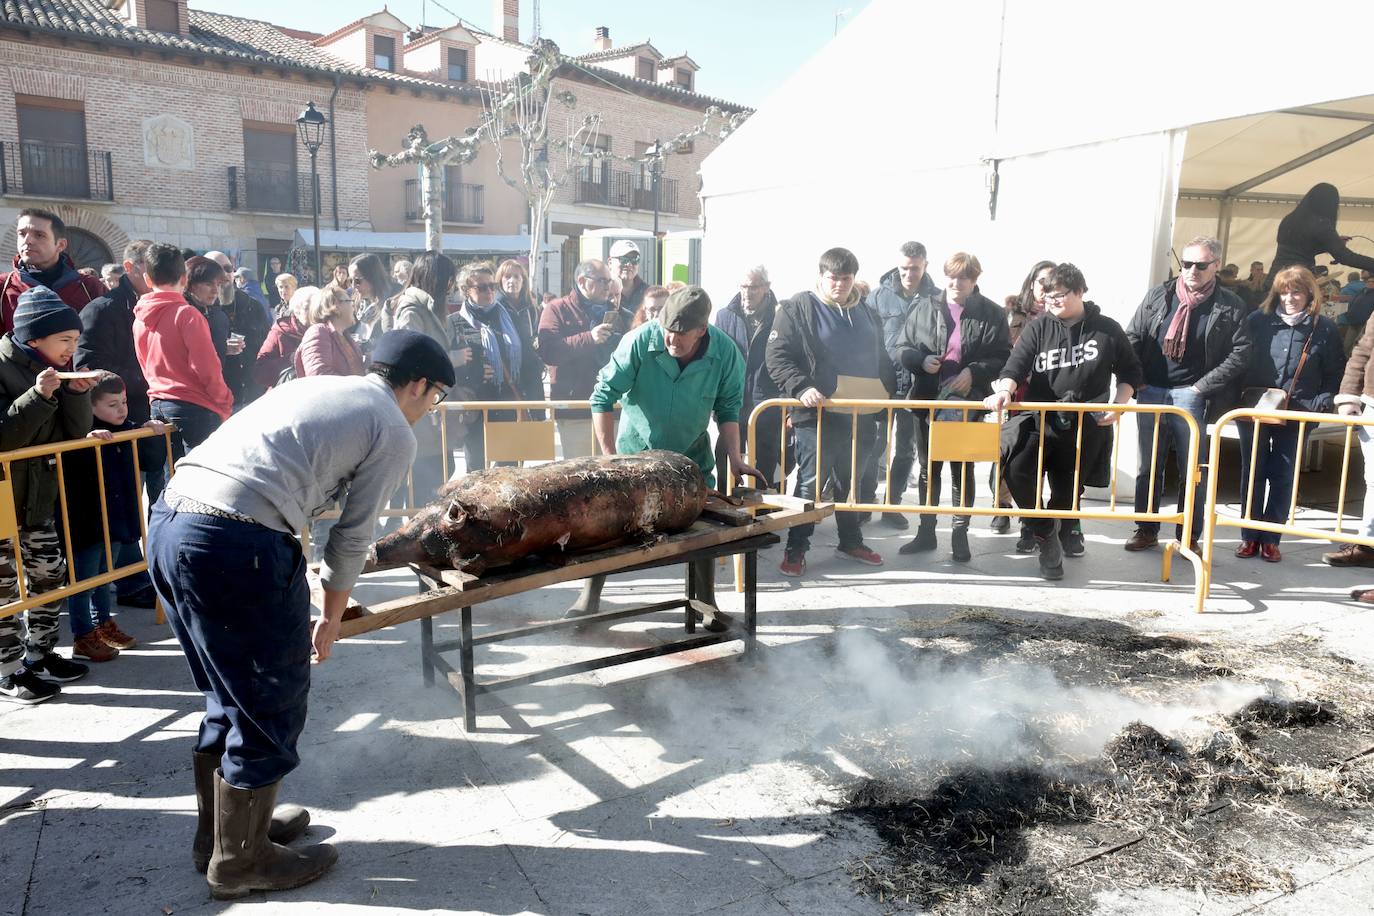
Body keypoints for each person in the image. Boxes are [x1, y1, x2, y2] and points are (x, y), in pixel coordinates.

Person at [147, 329, 453, 899]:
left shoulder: (321, 388)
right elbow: (353, 536)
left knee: (227, 693)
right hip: (233, 541)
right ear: (417, 384)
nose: (431, 410)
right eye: (435, 397)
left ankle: (223, 835)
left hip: (170, 522)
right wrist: (332, 616)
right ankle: (242, 861)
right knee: (269, 699)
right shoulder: (389, 425)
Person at [568, 287, 763, 622]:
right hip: (634, 457)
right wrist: (610, 458)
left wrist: (736, 457)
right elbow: (602, 398)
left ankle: (707, 603)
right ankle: (590, 594)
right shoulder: (639, 342)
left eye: (681, 335)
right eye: (667, 332)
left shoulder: (727, 353)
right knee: (602, 525)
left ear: (702, 330)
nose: (672, 340)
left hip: (691, 461)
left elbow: (729, 410)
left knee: (703, 531)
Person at [985, 263, 1143, 580]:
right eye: (1049, 296)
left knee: (1066, 492)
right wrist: (1004, 391)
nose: (1053, 302)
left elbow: (1130, 374)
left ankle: (1051, 546)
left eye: (1060, 296)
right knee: (1015, 468)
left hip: (1086, 423)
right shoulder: (1039, 327)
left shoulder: (1107, 329)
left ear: (1080, 292)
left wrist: (1118, 407)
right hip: (1039, 416)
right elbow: (1015, 366)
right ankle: (1044, 531)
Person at [766, 247, 893, 577]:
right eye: (833, 278)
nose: (839, 284)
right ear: (821, 276)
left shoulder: (866, 312)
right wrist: (801, 387)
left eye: (846, 278)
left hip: (861, 414)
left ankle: (850, 541)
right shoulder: (797, 308)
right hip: (817, 415)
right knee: (810, 483)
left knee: (850, 483)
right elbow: (777, 356)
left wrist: (888, 395)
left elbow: (882, 358)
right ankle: (796, 547)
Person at [0, 286, 98, 704]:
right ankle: (7, 671)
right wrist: (38, 396)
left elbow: (68, 435)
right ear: (34, 338)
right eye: (65, 340)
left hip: (38, 496)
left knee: (48, 575)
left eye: (75, 341)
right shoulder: (6, 368)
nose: (71, 348)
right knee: (3, 589)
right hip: (4, 500)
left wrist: (77, 396)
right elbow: (4, 435)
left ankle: (38, 656)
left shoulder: (50, 369)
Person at [1125, 236, 1250, 551]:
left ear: (1216, 266)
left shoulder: (1230, 305)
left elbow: (1241, 352)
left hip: (1192, 395)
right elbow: (1133, 337)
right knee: (1148, 466)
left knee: (1193, 469)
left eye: (1201, 264)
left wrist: (1201, 387)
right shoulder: (1159, 295)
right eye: (1187, 263)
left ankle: (1188, 535)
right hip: (1152, 390)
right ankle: (1146, 528)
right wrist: (1136, 380)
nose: (1192, 270)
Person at [894, 252, 1010, 562]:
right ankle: (926, 531)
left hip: (967, 402)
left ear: (974, 280)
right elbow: (902, 348)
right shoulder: (923, 306)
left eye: (964, 277)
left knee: (962, 467)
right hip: (928, 399)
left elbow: (1003, 356)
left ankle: (960, 533)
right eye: (952, 276)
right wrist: (920, 361)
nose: (956, 282)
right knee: (928, 467)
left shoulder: (992, 313)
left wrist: (975, 372)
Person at [1234, 267, 1344, 563]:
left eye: (1296, 291)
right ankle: (1249, 536)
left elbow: (1335, 370)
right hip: (1256, 407)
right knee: (1253, 471)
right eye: (1284, 291)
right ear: (1276, 293)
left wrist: (1323, 400)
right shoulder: (1257, 321)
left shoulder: (1324, 328)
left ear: (1309, 294)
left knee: (1283, 475)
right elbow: (1237, 357)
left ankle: (1271, 539)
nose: (1290, 298)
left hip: (1299, 409)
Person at [60, 372, 170, 662]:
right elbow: (68, 470)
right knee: (84, 581)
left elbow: (150, 460)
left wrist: (151, 433)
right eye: (112, 404)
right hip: (88, 522)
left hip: (119, 519)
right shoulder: (77, 436)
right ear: (90, 407)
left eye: (123, 402)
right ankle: (83, 634)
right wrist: (87, 439)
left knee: (104, 576)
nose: (122, 409)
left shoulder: (129, 429)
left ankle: (102, 624)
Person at [75, 238, 162, 601]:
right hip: (115, 427)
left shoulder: (156, 305)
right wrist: (149, 377)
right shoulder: (103, 309)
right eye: (150, 271)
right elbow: (88, 367)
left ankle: (142, 575)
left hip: (146, 421)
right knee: (122, 503)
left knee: (141, 501)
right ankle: (128, 582)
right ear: (131, 268)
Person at [861, 242, 939, 528]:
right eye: (904, 268)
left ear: (925, 266)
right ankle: (864, 502)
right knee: (873, 444)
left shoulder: (937, 299)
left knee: (905, 449)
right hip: (882, 383)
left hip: (917, 387)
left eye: (915, 268)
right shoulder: (877, 297)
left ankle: (892, 504)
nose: (908, 274)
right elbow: (864, 341)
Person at [133, 244, 234, 460]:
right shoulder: (187, 314)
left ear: (148, 280)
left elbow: (144, 364)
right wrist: (224, 402)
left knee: (172, 479)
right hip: (194, 406)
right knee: (203, 481)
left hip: (159, 404)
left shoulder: (139, 318)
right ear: (184, 279)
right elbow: (207, 367)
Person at [389, 251, 464, 509]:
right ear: (436, 279)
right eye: (448, 280)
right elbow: (410, 358)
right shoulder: (412, 310)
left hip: (430, 404)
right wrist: (451, 359)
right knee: (426, 478)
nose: (451, 286)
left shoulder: (427, 308)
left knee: (441, 468)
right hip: (419, 406)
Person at [995, 260, 1056, 550]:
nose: (1045, 288)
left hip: (1047, 393)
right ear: (1031, 283)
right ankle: (1003, 504)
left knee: (1037, 459)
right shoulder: (1013, 312)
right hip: (1017, 391)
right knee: (1010, 452)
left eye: (1051, 281)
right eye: (1041, 281)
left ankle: (1029, 522)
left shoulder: (1062, 314)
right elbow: (1002, 350)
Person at [539, 259, 625, 459]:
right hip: (576, 410)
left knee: (615, 476)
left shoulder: (616, 312)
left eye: (609, 281)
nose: (608, 286)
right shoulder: (556, 308)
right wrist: (589, 338)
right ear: (582, 281)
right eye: (603, 280)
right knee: (582, 477)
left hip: (613, 408)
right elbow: (548, 351)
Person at [713, 266, 782, 489]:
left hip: (766, 401)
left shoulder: (780, 316)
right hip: (733, 399)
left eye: (753, 287)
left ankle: (762, 509)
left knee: (766, 457)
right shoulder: (725, 315)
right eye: (743, 286)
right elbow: (716, 359)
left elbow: (788, 358)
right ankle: (725, 500)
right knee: (725, 452)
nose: (747, 292)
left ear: (766, 288)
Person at [446, 262, 512, 471]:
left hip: (507, 403)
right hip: (474, 405)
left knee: (509, 470)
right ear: (466, 291)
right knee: (476, 469)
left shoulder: (507, 316)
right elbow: (446, 364)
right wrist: (473, 372)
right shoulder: (454, 322)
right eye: (482, 287)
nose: (489, 291)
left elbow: (526, 358)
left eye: (492, 286)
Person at [0, 208, 105, 334]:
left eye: (39, 235)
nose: (27, 240)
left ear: (60, 245)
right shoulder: (3, 287)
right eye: (22, 234)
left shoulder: (89, 287)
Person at [1265, 183, 1374, 287]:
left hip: (1275, 277)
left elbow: (1300, 248)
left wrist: (1332, 243)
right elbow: (1346, 257)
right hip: (1297, 281)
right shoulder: (1321, 224)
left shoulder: (1289, 219)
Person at [208, 251, 270, 409]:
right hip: (219, 401)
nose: (224, 274)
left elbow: (268, 345)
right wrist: (221, 348)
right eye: (216, 269)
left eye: (228, 269)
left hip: (254, 395)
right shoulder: (199, 310)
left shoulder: (252, 305)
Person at [493, 258, 545, 409]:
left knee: (534, 424)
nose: (512, 281)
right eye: (507, 277)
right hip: (506, 374)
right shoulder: (494, 308)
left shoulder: (531, 308)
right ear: (500, 281)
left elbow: (535, 336)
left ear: (523, 281)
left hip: (531, 374)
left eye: (517, 277)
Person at [295, 285, 364, 379]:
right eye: (350, 302)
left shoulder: (344, 336)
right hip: (340, 393)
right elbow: (319, 376)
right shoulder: (318, 332)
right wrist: (355, 386)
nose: (353, 307)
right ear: (336, 306)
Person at [253, 286, 315, 390]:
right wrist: (291, 359)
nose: (313, 313)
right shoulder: (280, 332)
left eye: (317, 308)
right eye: (307, 308)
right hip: (287, 395)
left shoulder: (326, 331)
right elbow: (259, 372)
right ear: (297, 310)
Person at [348, 253, 399, 348]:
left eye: (357, 280)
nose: (353, 286)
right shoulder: (354, 299)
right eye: (351, 280)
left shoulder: (394, 300)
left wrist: (368, 345)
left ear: (372, 277)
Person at [608, 239, 649, 316]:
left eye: (634, 259)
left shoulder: (648, 292)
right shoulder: (601, 291)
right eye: (624, 259)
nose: (629, 264)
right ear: (610, 262)